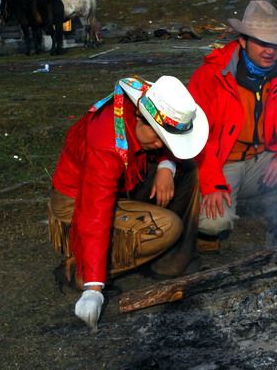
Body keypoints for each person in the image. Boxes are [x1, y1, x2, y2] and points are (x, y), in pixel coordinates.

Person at [48, 75, 209, 330]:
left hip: (125, 182)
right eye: (159, 139)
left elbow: (163, 146)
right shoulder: (106, 144)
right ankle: (80, 272)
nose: (161, 145)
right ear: (138, 117)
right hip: (77, 202)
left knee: (186, 169)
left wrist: (166, 165)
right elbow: (94, 214)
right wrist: (93, 289)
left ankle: (169, 263)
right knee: (168, 227)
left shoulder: (146, 107)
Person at [187, 0, 277, 247]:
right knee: (214, 224)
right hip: (222, 164)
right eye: (262, 43)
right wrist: (212, 183)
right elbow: (194, 136)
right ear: (243, 41)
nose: (270, 51)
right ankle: (199, 218)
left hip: (263, 160)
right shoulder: (211, 75)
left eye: (276, 44)